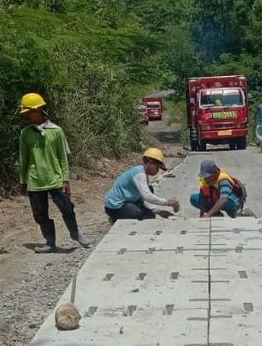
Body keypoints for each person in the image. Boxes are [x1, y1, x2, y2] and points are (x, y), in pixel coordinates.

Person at [18, 92, 91, 254]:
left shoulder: (56, 131)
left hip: (56, 179)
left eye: (31, 112)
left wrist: (65, 179)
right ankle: (50, 242)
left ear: (40, 110)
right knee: (40, 214)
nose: (29, 116)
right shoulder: (25, 133)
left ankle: (75, 233)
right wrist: (23, 181)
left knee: (67, 208)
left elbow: (62, 157)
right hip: (35, 181)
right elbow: (23, 158)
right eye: (27, 113)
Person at [104, 148, 180, 222]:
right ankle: (115, 219)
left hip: (130, 202)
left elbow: (142, 198)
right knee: (139, 215)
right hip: (116, 207)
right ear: (150, 163)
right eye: (157, 167)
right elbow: (147, 196)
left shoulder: (142, 173)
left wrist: (158, 211)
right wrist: (168, 202)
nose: (158, 170)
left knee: (150, 215)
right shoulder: (139, 173)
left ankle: (125, 216)